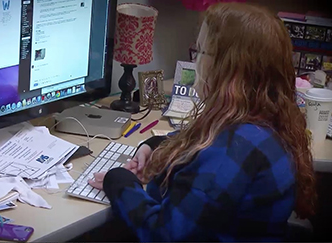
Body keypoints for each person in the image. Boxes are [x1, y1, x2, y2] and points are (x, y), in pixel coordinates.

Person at [89, 2, 316, 241]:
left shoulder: (232, 150)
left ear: (228, 68)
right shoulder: (263, 121)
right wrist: (155, 146)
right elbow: (200, 144)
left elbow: (162, 234)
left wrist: (119, 181)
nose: (196, 60)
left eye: (200, 51)